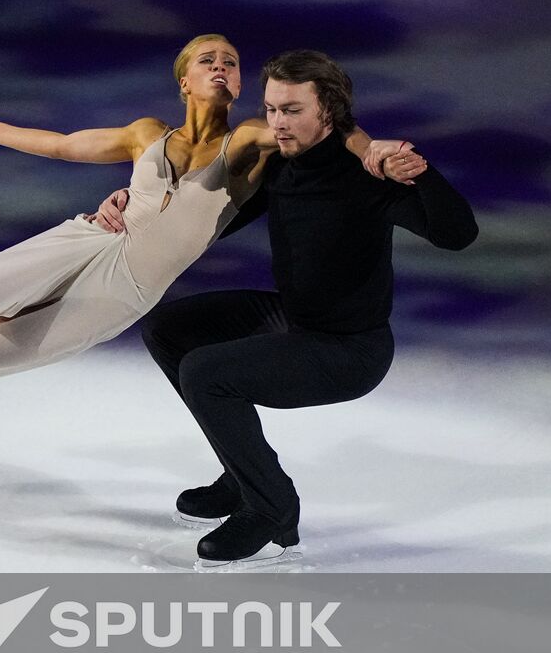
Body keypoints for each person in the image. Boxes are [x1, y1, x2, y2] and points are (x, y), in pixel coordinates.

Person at [0, 35, 409, 388]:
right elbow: (64, 144)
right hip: (86, 240)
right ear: (183, 79)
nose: (220, 66)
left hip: (129, 288)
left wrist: (369, 146)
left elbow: (323, 127)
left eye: (230, 63)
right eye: (207, 58)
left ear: (241, 85)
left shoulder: (251, 142)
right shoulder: (147, 133)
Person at [108, 49, 478, 568]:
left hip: (349, 349)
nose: (277, 123)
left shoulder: (365, 176)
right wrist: (131, 207)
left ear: (328, 112)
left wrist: (421, 171)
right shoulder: (281, 165)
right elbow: (210, 221)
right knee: (169, 328)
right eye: (272, 109)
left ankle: (272, 509)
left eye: (292, 111)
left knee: (206, 372)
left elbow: (458, 235)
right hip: (295, 318)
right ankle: (243, 478)